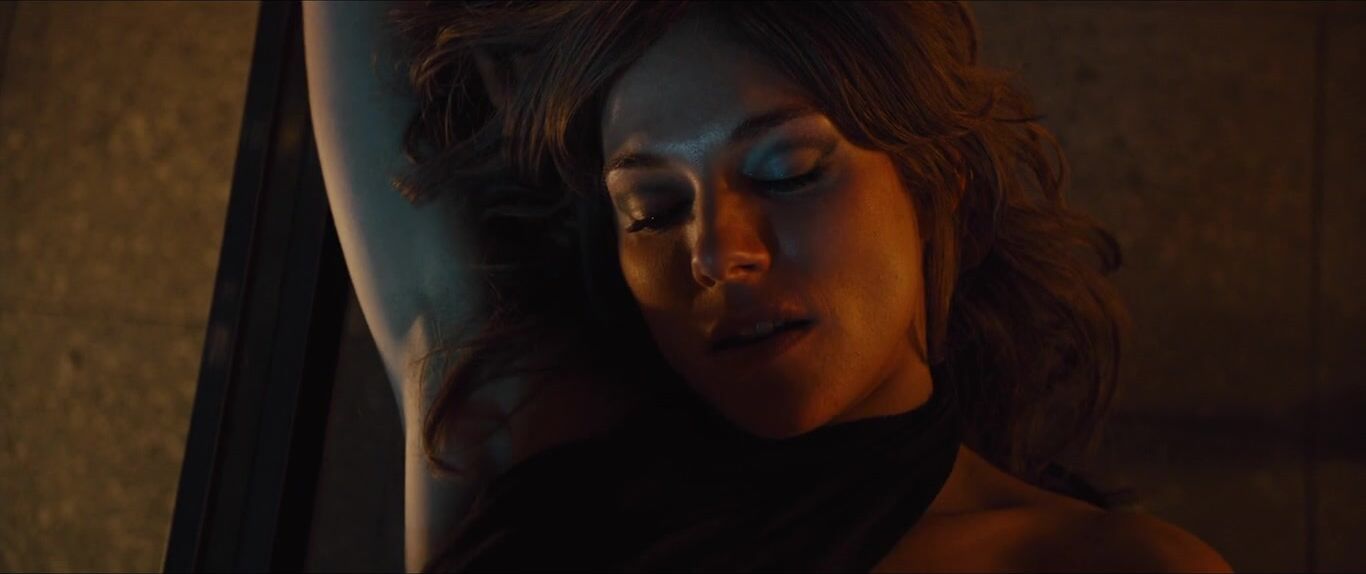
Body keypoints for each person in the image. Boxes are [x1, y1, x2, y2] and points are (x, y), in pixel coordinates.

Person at [304, 1, 1235, 571]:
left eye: (788, 171)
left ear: (933, 183)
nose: (716, 252)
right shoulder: (526, 447)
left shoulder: (1106, 567)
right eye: (653, 210)